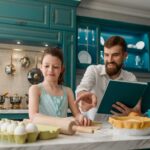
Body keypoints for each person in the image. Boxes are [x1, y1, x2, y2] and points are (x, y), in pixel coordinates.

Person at [75, 36, 141, 118]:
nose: (110, 60)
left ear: (125, 56)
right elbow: (82, 88)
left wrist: (131, 113)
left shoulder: (131, 78)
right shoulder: (93, 70)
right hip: (94, 127)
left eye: (115, 55)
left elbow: (138, 109)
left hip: (120, 128)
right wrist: (83, 96)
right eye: (106, 55)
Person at [29, 47, 91, 126]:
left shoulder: (68, 91)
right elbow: (34, 117)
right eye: (46, 66)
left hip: (63, 136)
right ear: (41, 67)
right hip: (43, 136)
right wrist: (62, 121)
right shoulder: (35, 89)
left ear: (61, 69)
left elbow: (77, 114)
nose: (51, 70)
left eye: (55, 67)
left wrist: (82, 117)